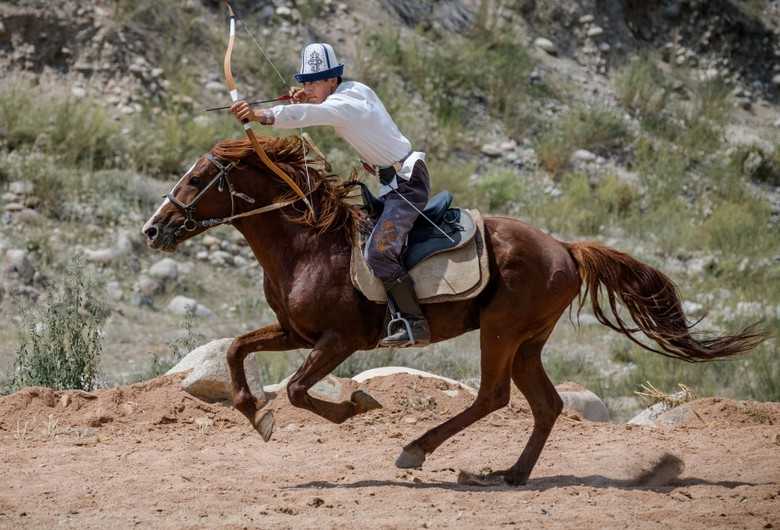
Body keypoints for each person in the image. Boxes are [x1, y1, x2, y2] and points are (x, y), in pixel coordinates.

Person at [230, 43, 431, 347]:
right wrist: (310, 97)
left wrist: (262, 115)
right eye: (305, 82)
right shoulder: (353, 91)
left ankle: (414, 323)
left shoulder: (347, 103)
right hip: (390, 185)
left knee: (379, 251)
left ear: (333, 80)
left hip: (407, 184)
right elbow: (317, 107)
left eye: (315, 81)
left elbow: (315, 114)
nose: (307, 88)